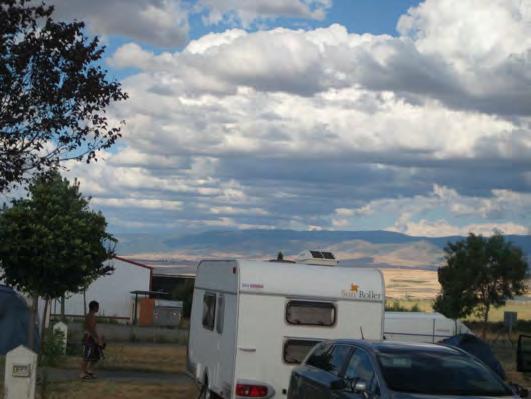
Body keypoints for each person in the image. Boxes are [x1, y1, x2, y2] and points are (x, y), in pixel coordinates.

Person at [81, 300, 103, 380]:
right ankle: (82, 373)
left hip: (92, 338)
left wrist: (98, 338)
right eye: (97, 307)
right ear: (94, 307)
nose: (98, 308)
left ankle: (89, 371)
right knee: (87, 356)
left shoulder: (92, 316)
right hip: (88, 338)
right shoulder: (90, 316)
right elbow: (90, 329)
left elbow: (93, 329)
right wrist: (96, 338)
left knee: (96, 356)